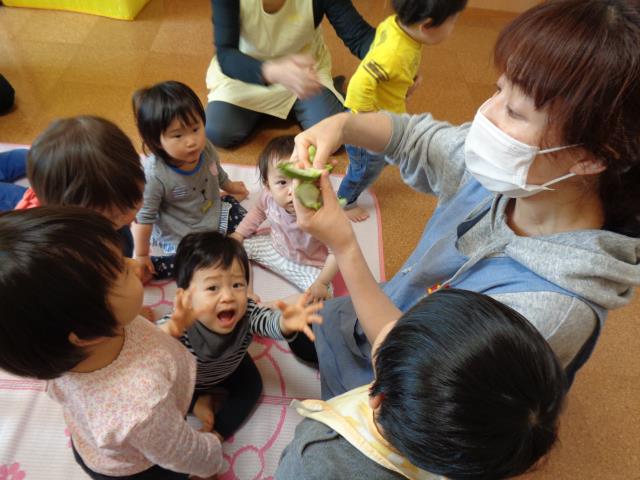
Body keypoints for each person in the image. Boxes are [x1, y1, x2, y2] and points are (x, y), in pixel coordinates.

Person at [291, 0, 640, 399]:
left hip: (413, 391)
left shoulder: (549, 309)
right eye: (498, 89)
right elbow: (412, 136)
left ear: (591, 157)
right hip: (402, 306)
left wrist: (345, 248)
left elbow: (420, 379)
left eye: (514, 111)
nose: (484, 116)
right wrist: (342, 125)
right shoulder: (517, 174)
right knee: (316, 327)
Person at [0, 207, 222, 479]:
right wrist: (212, 452)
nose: (133, 264)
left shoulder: (66, 347)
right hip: (142, 468)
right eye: (121, 270)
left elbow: (141, 346)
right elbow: (186, 453)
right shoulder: (143, 409)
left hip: (98, 444)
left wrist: (172, 326)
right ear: (86, 332)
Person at [276, 289, 566, 480]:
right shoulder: (485, 452)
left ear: (378, 397)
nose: (391, 324)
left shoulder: (313, 459)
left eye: (399, 330)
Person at [159, 231, 323, 439]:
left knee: (252, 386)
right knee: (166, 395)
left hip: (232, 367)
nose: (228, 296)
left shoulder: (247, 313)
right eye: (213, 288)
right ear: (186, 297)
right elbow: (149, 343)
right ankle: (197, 401)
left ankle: (217, 433)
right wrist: (170, 330)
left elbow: (267, 322)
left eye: (237, 285)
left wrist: (284, 323)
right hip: (190, 379)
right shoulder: (180, 322)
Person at [339, 0, 466, 222]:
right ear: (426, 26)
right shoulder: (394, 53)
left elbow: (383, 66)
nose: (454, 26)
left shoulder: (395, 25)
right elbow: (359, 84)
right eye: (453, 21)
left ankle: (360, 162)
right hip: (367, 123)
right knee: (365, 170)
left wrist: (407, 82)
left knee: (380, 156)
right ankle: (345, 202)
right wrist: (367, 120)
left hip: (387, 109)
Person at [204, 0, 375, 148]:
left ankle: (326, 94)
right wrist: (271, 71)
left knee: (331, 136)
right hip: (246, 70)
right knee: (218, 131)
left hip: (304, 73)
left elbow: (359, 36)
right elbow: (226, 55)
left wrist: (388, 54)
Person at [132, 80, 249, 280]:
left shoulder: (206, 148)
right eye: (178, 136)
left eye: (195, 129)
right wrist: (142, 255)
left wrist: (230, 186)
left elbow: (216, 172)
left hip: (210, 212)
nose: (191, 141)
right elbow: (145, 218)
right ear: (156, 141)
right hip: (179, 233)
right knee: (191, 265)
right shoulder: (155, 175)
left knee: (246, 221)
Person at [15, 116, 145, 259]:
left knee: (22, 156)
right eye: (114, 216)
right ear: (68, 213)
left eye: (134, 201)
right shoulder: (57, 248)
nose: (130, 216)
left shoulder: (112, 209)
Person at [231, 136, 338, 302]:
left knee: (325, 295)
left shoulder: (323, 211)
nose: (293, 191)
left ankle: (269, 308)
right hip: (275, 249)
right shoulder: (268, 197)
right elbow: (257, 212)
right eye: (282, 182)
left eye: (303, 180)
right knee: (235, 246)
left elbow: (337, 252)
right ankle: (247, 293)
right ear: (268, 185)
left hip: (307, 265)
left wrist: (322, 283)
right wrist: (238, 234)